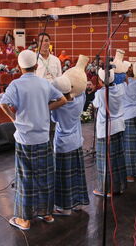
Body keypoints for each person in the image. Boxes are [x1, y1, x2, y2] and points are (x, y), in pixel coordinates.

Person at [0, 50, 67, 231]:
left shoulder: (16, 84)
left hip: (25, 138)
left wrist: (14, 119)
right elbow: (62, 99)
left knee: (25, 178)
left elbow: (3, 103)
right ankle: (47, 213)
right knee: (44, 176)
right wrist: (46, 109)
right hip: (43, 137)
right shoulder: (44, 83)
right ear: (36, 66)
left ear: (19, 67)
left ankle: (25, 219)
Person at [50, 76, 89, 216]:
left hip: (63, 143)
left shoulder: (59, 108)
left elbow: (53, 119)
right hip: (77, 140)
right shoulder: (80, 99)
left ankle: (64, 207)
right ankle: (78, 203)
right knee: (76, 172)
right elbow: (81, 89)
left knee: (63, 176)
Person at [92, 68, 127, 197]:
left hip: (106, 130)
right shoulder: (121, 88)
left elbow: (95, 105)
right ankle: (119, 186)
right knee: (117, 158)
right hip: (118, 126)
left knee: (105, 161)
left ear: (101, 81)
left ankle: (105, 189)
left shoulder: (101, 94)